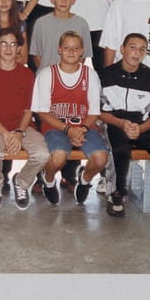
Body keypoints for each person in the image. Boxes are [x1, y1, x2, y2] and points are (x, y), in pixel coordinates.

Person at [99, 33, 150, 216]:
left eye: (142, 49)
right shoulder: (106, 75)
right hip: (115, 123)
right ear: (122, 49)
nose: (137, 53)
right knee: (119, 149)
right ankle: (116, 195)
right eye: (132, 47)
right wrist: (120, 123)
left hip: (143, 125)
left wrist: (141, 128)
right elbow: (99, 111)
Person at [32, 31, 108, 205]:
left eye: (76, 48)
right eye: (67, 47)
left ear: (82, 51)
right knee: (58, 157)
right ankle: (48, 180)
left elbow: (94, 112)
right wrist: (68, 129)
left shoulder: (90, 75)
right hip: (55, 127)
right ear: (59, 49)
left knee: (100, 159)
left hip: (84, 127)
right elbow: (42, 112)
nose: (71, 51)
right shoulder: (47, 74)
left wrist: (81, 130)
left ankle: (85, 180)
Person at [0, 27, 49, 210]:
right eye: (4, 44)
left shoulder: (27, 74)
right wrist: (6, 134)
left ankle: (21, 182)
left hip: (22, 127)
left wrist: (18, 132)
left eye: (13, 44)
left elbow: (29, 109)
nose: (8, 49)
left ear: (18, 48)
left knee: (42, 155)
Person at [30, 0, 93, 71]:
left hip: (71, 75)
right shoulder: (41, 23)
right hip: (47, 74)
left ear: (73, 0)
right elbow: (37, 55)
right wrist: (48, 73)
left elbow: (82, 56)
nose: (63, 0)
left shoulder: (81, 24)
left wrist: (70, 72)